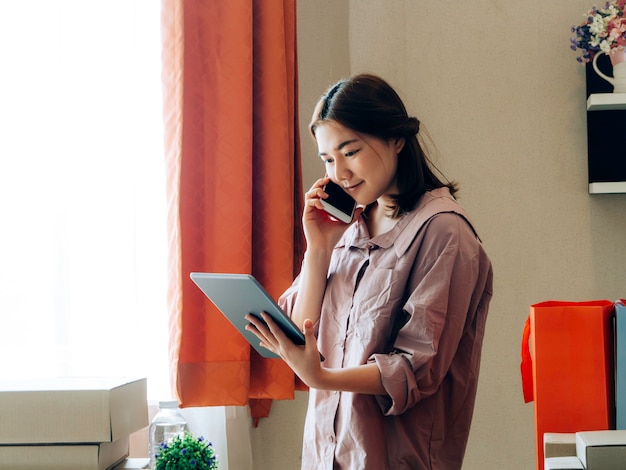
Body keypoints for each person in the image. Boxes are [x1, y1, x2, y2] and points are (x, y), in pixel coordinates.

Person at [245, 73, 493, 470]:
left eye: (351, 151)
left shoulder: (445, 232)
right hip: (326, 456)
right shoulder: (347, 228)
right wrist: (319, 248)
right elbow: (298, 331)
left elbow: (415, 369)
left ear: (396, 139)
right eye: (328, 158)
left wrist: (322, 378)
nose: (339, 172)